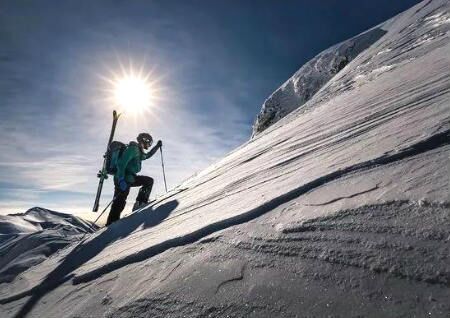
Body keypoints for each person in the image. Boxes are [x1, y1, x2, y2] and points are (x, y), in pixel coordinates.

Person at [106, 132, 162, 225]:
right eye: (149, 143)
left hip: (130, 178)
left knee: (148, 181)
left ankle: (140, 203)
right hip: (122, 178)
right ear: (144, 140)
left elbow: (147, 156)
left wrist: (156, 146)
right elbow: (121, 164)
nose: (149, 145)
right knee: (119, 202)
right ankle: (111, 224)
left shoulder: (139, 151)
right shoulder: (133, 149)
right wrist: (121, 180)